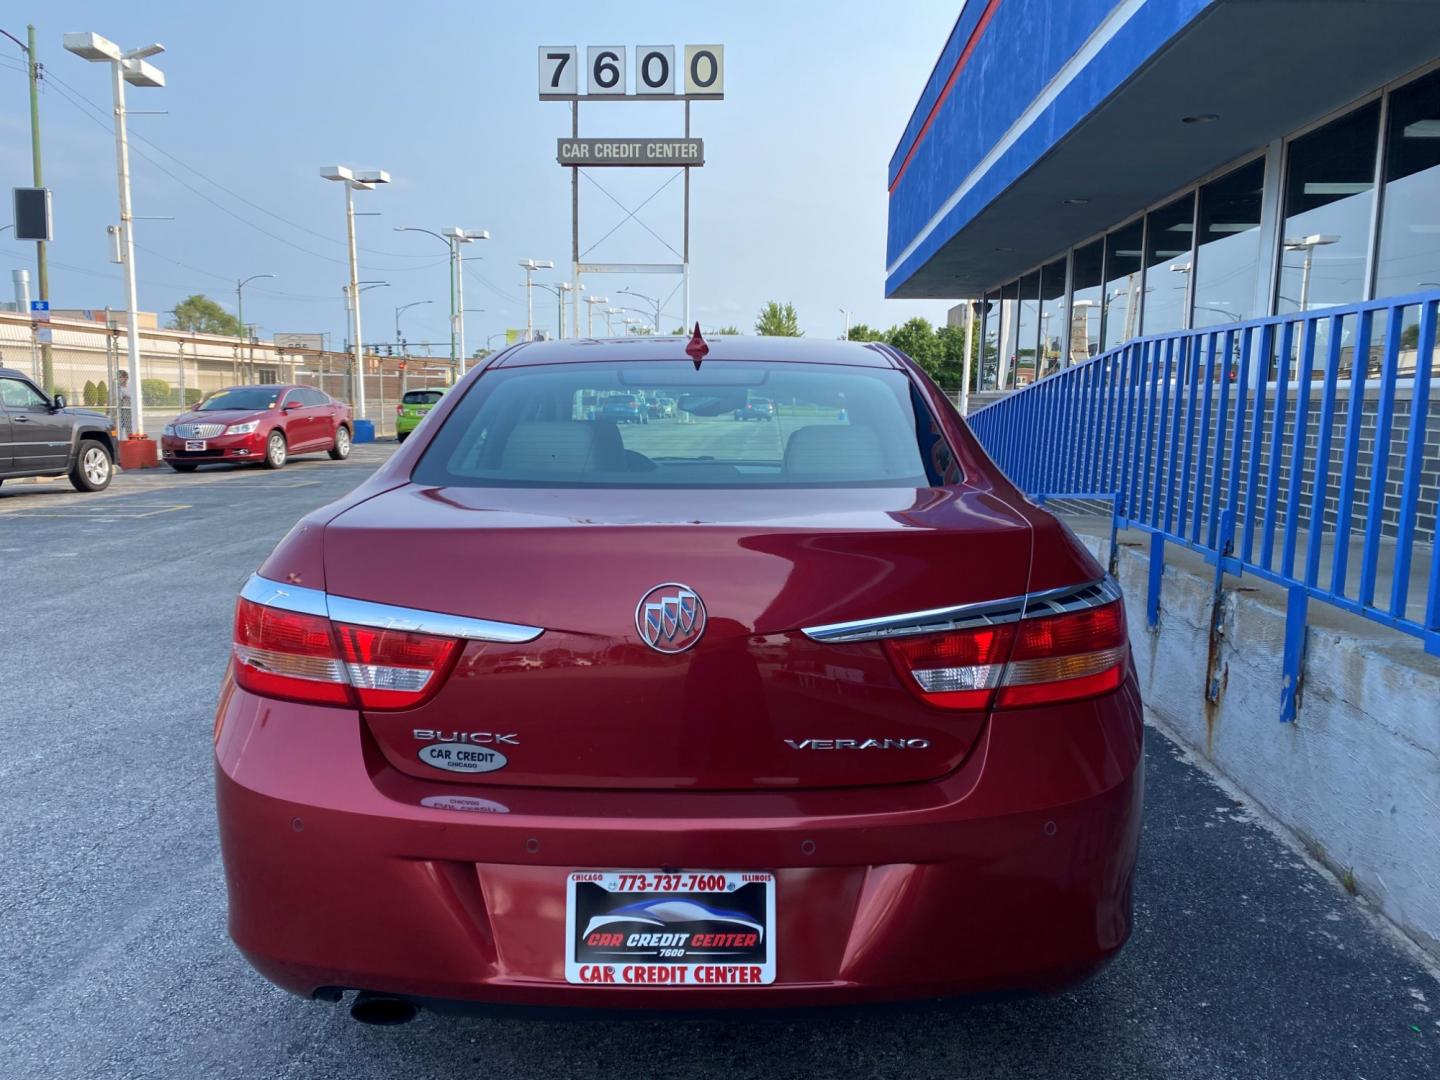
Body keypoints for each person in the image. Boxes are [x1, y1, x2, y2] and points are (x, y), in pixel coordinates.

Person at [116, 369, 133, 438]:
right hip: (120, 410)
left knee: (129, 429)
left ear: (126, 378)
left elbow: (131, 396)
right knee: (117, 428)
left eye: (120, 377)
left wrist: (126, 397)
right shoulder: (117, 387)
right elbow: (120, 398)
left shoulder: (130, 386)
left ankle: (130, 442)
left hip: (128, 410)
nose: (119, 379)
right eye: (118, 377)